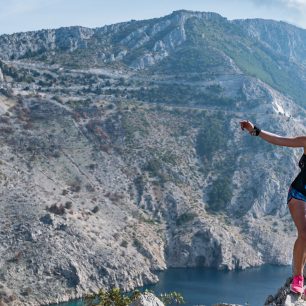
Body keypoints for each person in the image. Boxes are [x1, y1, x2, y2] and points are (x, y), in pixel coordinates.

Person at [240, 120, 306, 295]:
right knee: (304, 234)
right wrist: (256, 131)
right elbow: (281, 140)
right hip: (299, 193)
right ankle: (298, 278)